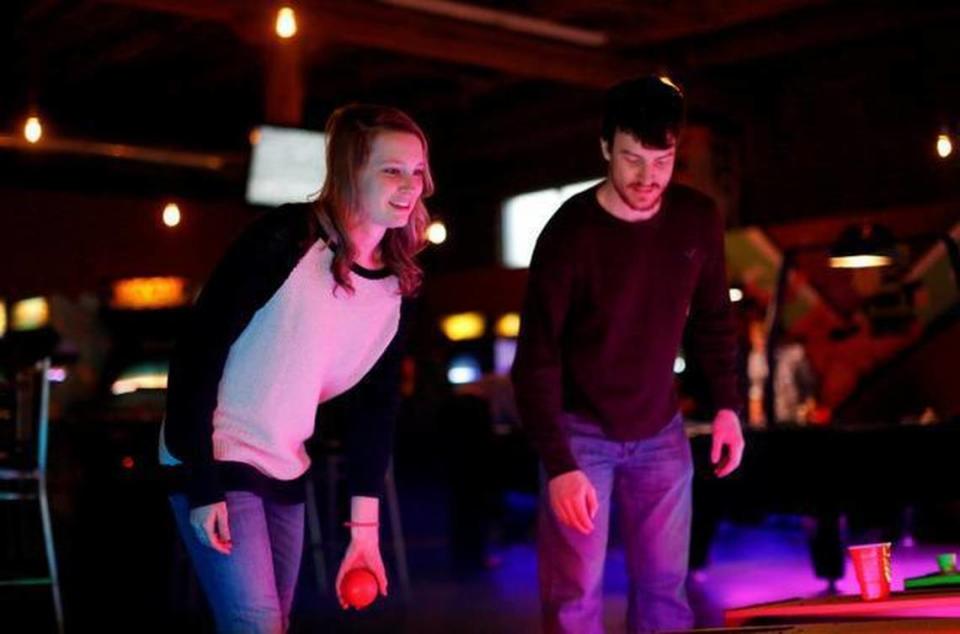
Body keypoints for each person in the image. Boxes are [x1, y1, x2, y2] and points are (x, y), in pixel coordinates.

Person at [159, 103, 433, 633]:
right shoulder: (287, 235)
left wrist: (364, 533)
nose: (410, 185)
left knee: (274, 623)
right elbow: (198, 349)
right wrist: (202, 483)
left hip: (285, 462)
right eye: (392, 170)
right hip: (216, 450)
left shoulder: (397, 287)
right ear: (352, 170)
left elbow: (374, 413)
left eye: (418, 171)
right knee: (256, 625)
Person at [511, 75, 745, 634]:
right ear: (604, 149)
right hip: (579, 433)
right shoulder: (568, 232)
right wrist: (560, 464)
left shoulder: (696, 218)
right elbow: (535, 358)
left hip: (662, 433)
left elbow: (714, 320)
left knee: (666, 595)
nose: (647, 178)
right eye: (632, 159)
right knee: (573, 598)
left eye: (661, 160)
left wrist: (729, 407)